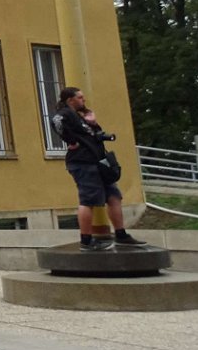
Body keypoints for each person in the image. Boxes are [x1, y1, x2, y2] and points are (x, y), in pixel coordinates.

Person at [50, 87, 144, 251]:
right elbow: (56, 121)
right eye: (80, 98)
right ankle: (86, 240)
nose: (83, 100)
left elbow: (93, 134)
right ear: (70, 100)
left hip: (98, 161)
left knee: (114, 196)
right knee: (88, 199)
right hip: (83, 162)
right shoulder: (66, 113)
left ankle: (121, 234)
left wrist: (93, 123)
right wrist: (71, 141)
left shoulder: (79, 117)